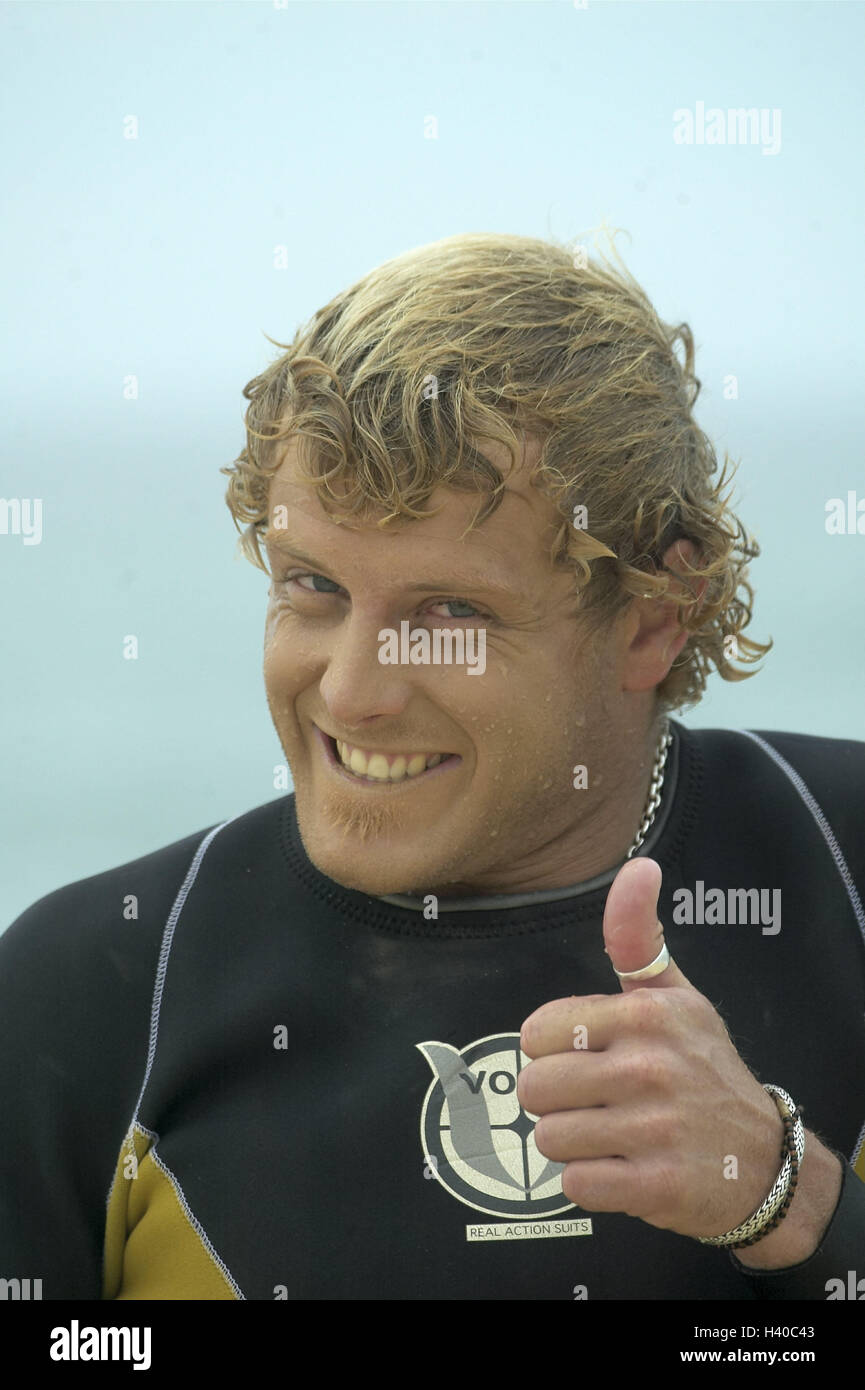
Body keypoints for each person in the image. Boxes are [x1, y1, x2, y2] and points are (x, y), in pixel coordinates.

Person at [2, 232, 863, 1302]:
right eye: (310, 584)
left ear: (653, 619)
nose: (353, 688)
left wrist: (791, 1200)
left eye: (448, 612)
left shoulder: (846, 871)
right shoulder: (90, 992)